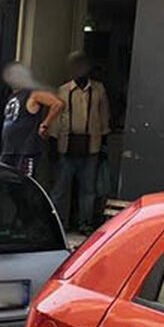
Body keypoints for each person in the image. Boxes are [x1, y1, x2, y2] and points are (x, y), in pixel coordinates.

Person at [52, 52, 110, 233]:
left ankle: (85, 223)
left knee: (88, 189)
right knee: (61, 189)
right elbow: (56, 118)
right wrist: (53, 143)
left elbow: (104, 116)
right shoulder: (63, 90)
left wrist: (103, 142)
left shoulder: (98, 90)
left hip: (91, 146)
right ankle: (58, 224)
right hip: (66, 145)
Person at [0, 62, 64, 178]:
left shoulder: (33, 94)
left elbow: (57, 103)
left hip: (25, 150)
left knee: (24, 181)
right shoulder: (12, 96)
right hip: (9, 149)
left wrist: (45, 124)